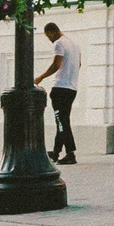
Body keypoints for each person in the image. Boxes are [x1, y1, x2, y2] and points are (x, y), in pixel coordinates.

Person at [36, 22, 82, 165]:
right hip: (72, 88)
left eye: (48, 36)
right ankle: (55, 153)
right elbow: (79, 64)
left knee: (61, 121)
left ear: (51, 32)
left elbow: (56, 64)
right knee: (62, 120)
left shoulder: (59, 44)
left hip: (60, 88)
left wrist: (41, 77)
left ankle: (70, 153)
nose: (49, 39)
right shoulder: (74, 44)